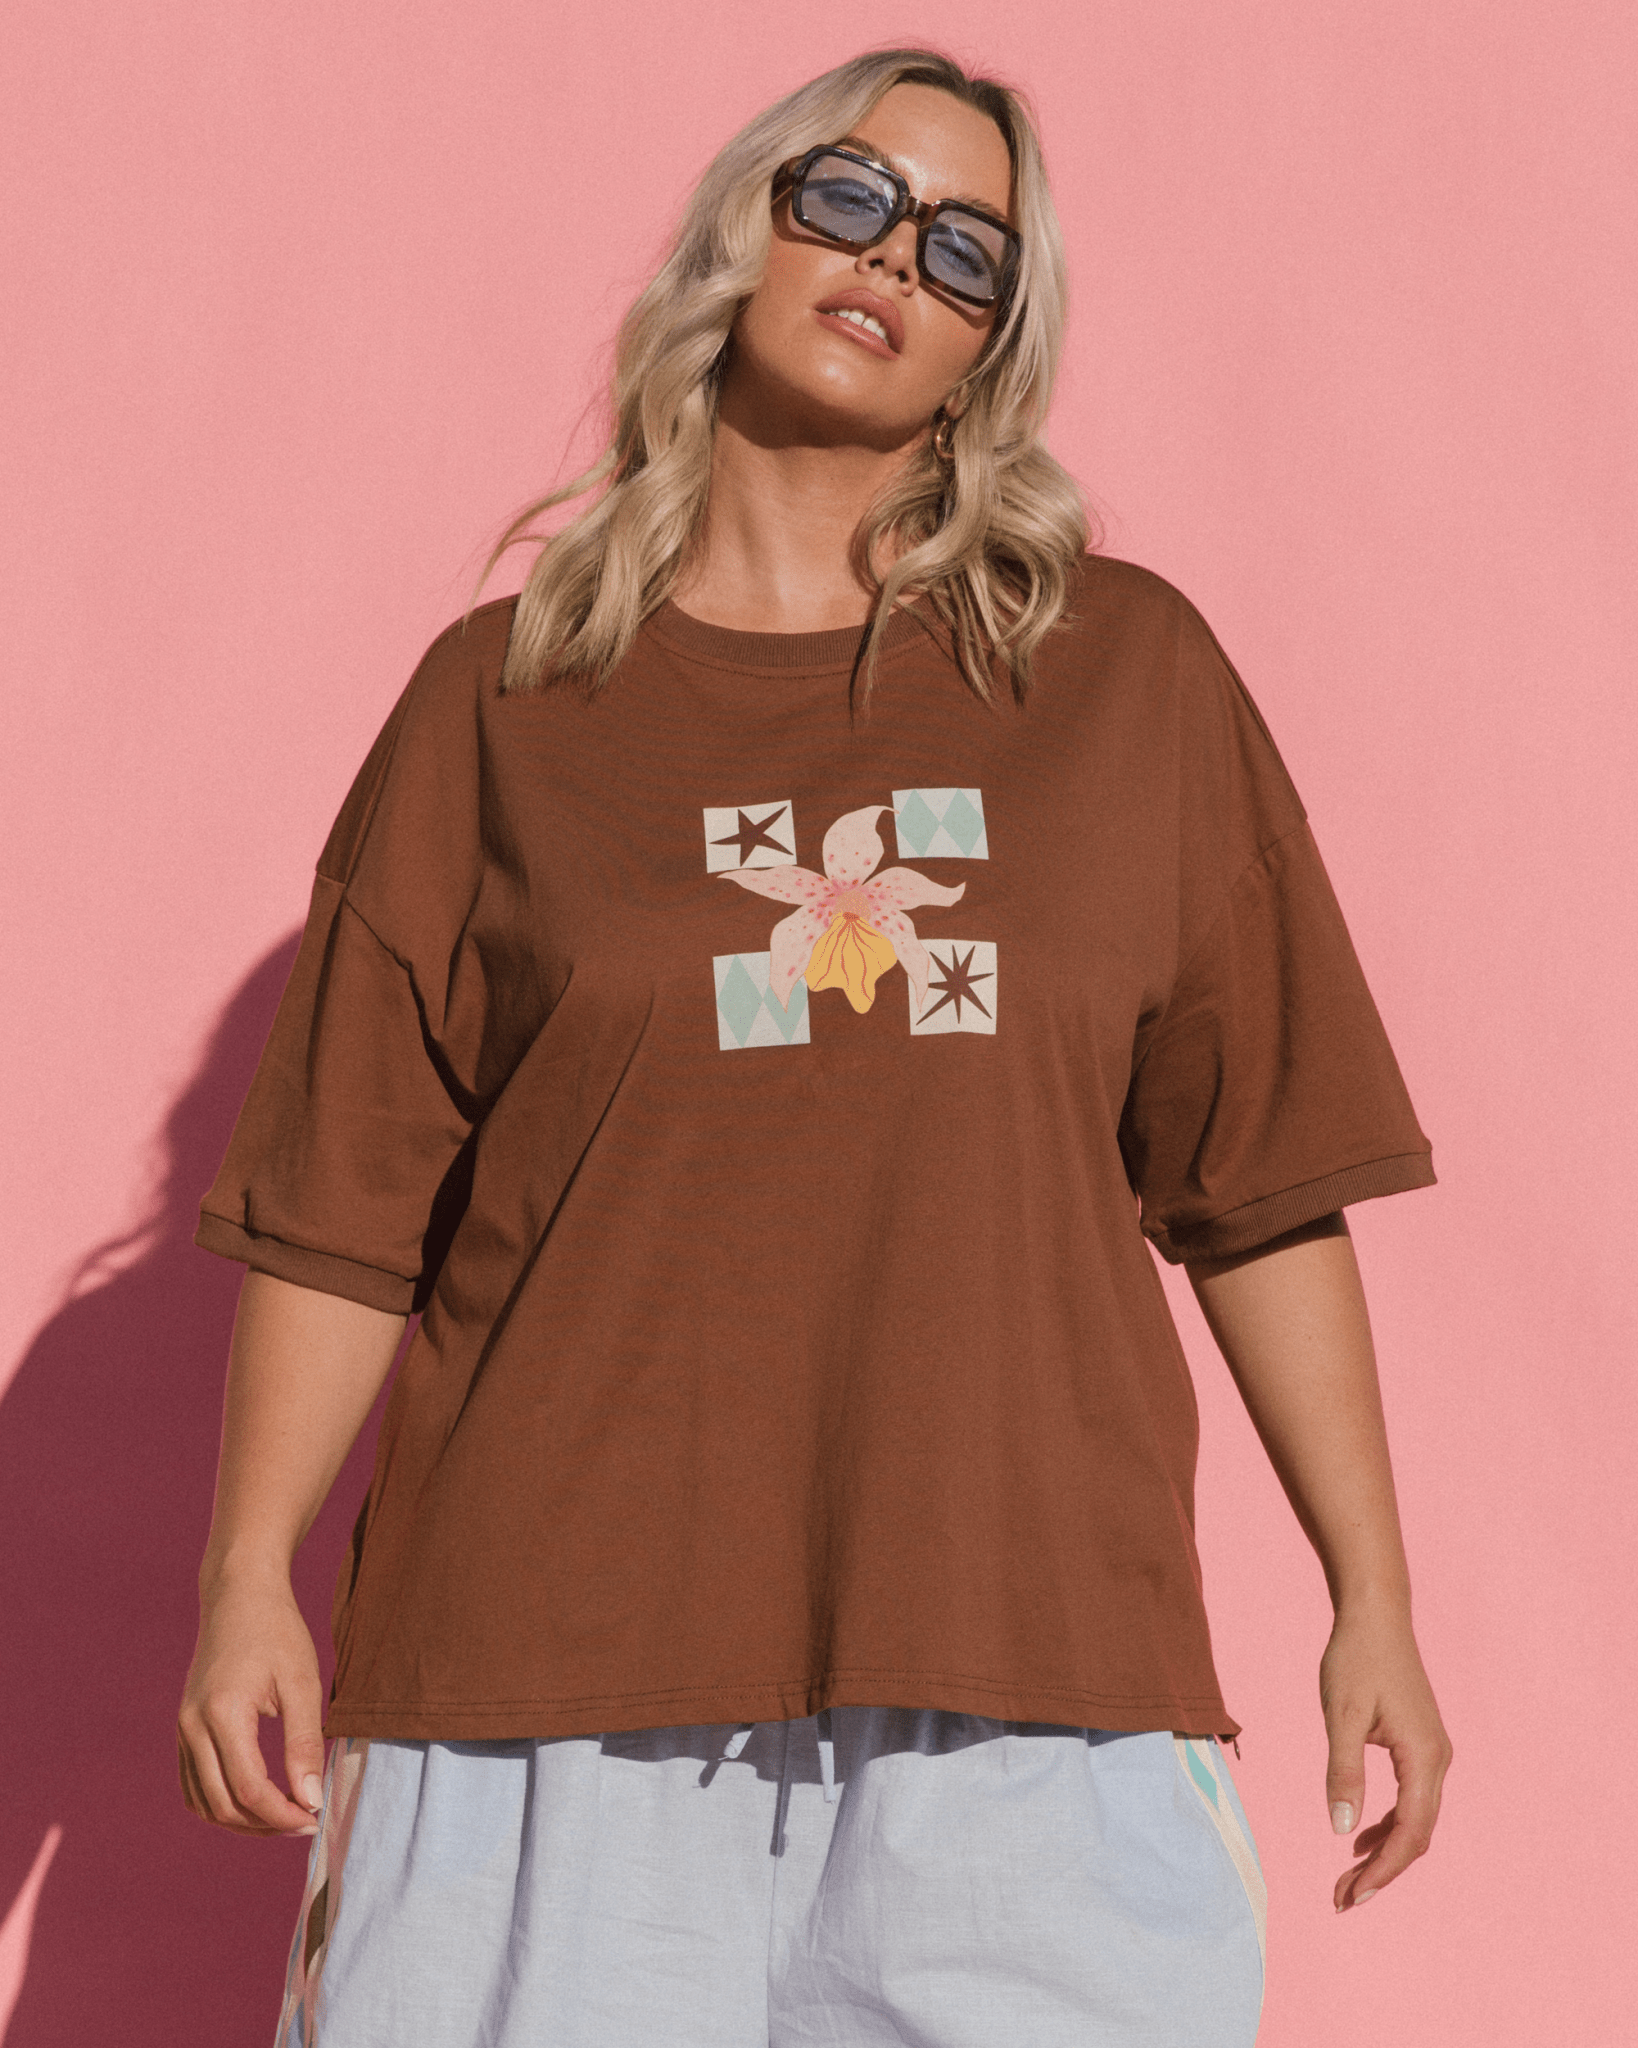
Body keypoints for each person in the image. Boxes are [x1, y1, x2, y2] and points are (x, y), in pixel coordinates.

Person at [178, 46, 1452, 2048]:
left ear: (988, 349)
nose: (893, 260)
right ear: (743, 230)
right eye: (848, 198)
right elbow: (347, 1204)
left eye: (965, 253)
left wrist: (1371, 1591)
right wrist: (247, 1572)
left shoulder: (1126, 681)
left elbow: (1261, 1179)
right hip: (543, 1686)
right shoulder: (504, 703)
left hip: (1026, 1676)